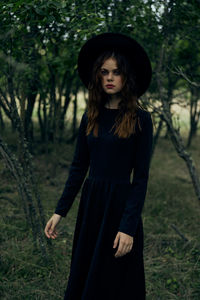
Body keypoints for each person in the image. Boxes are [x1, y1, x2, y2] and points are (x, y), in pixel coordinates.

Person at [44, 32, 153, 300]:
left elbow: (140, 179)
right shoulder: (90, 116)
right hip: (92, 206)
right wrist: (60, 211)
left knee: (115, 278)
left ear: (126, 76)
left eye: (116, 72)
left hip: (119, 205)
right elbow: (79, 167)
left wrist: (128, 227)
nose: (110, 78)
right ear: (97, 76)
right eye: (104, 72)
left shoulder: (141, 119)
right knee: (87, 274)